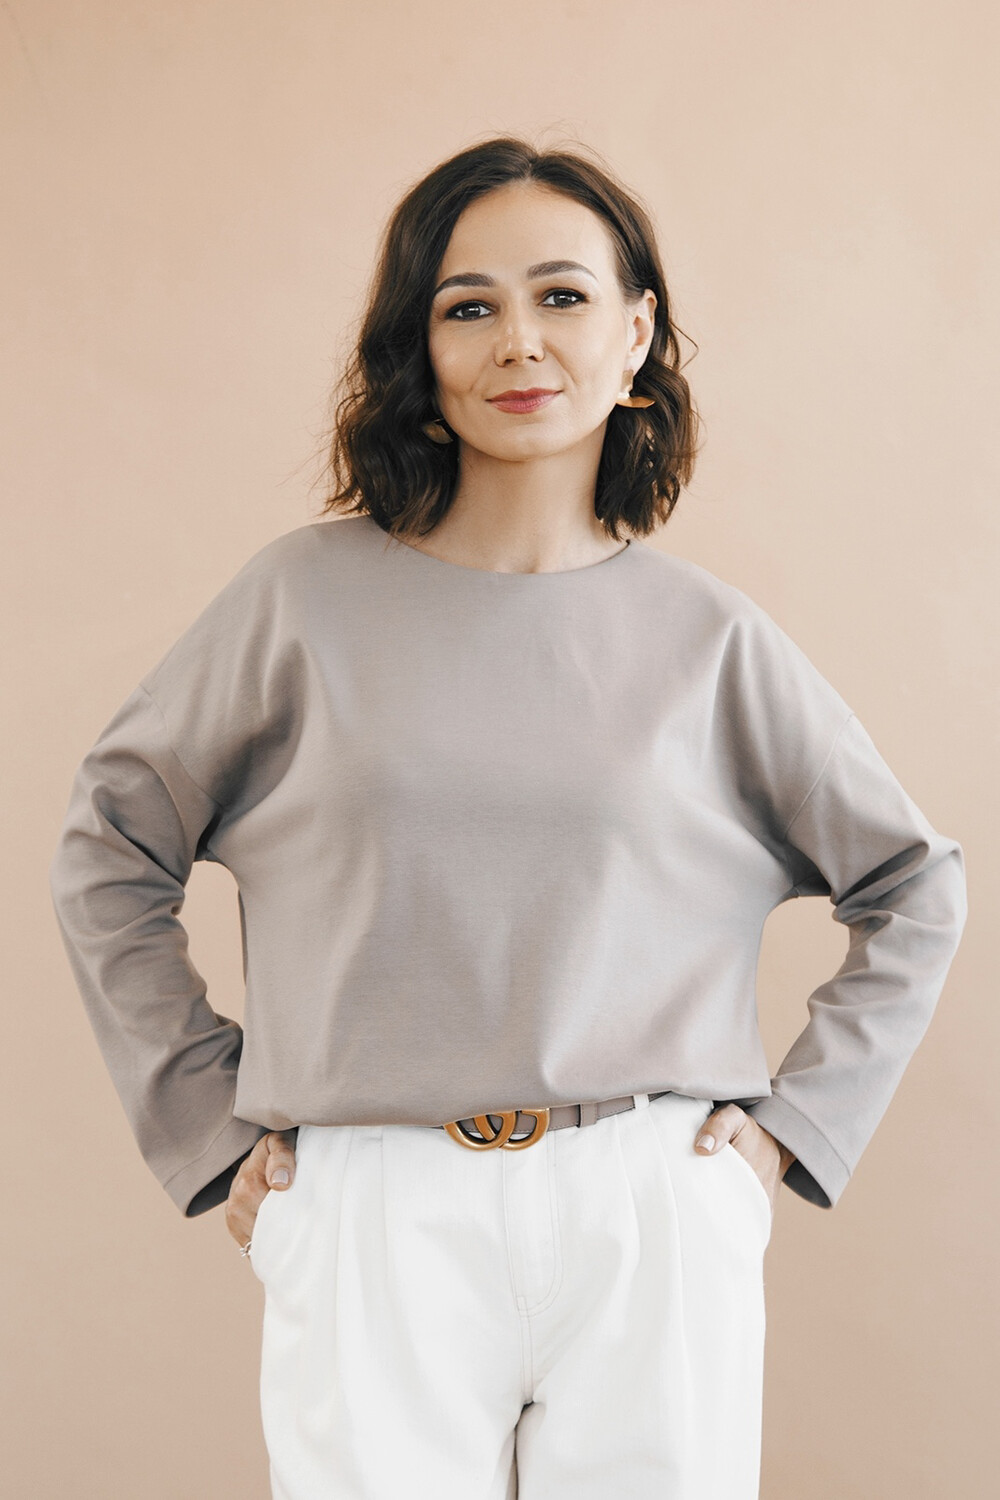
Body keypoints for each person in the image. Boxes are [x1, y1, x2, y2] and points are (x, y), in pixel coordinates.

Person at [48, 137, 967, 1500]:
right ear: (419, 349)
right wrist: (206, 1121)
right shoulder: (299, 605)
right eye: (467, 305)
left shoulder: (708, 640)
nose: (519, 342)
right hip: (375, 1209)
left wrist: (788, 1134)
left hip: (651, 1205)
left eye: (563, 296)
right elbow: (108, 846)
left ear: (637, 334)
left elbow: (913, 881)